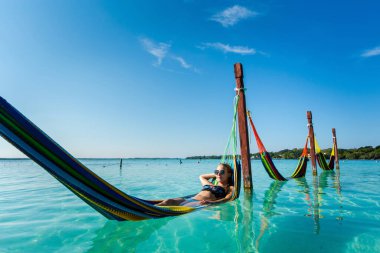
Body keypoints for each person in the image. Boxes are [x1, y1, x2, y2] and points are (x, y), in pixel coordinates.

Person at [156, 163, 234, 207]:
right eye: (217, 172)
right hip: (190, 199)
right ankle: (151, 209)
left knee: (179, 207)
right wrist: (216, 175)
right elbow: (201, 176)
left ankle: (150, 212)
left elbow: (226, 199)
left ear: (229, 174)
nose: (219, 174)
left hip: (200, 202)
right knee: (168, 201)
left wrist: (212, 203)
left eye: (222, 172)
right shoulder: (210, 184)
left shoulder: (229, 187)